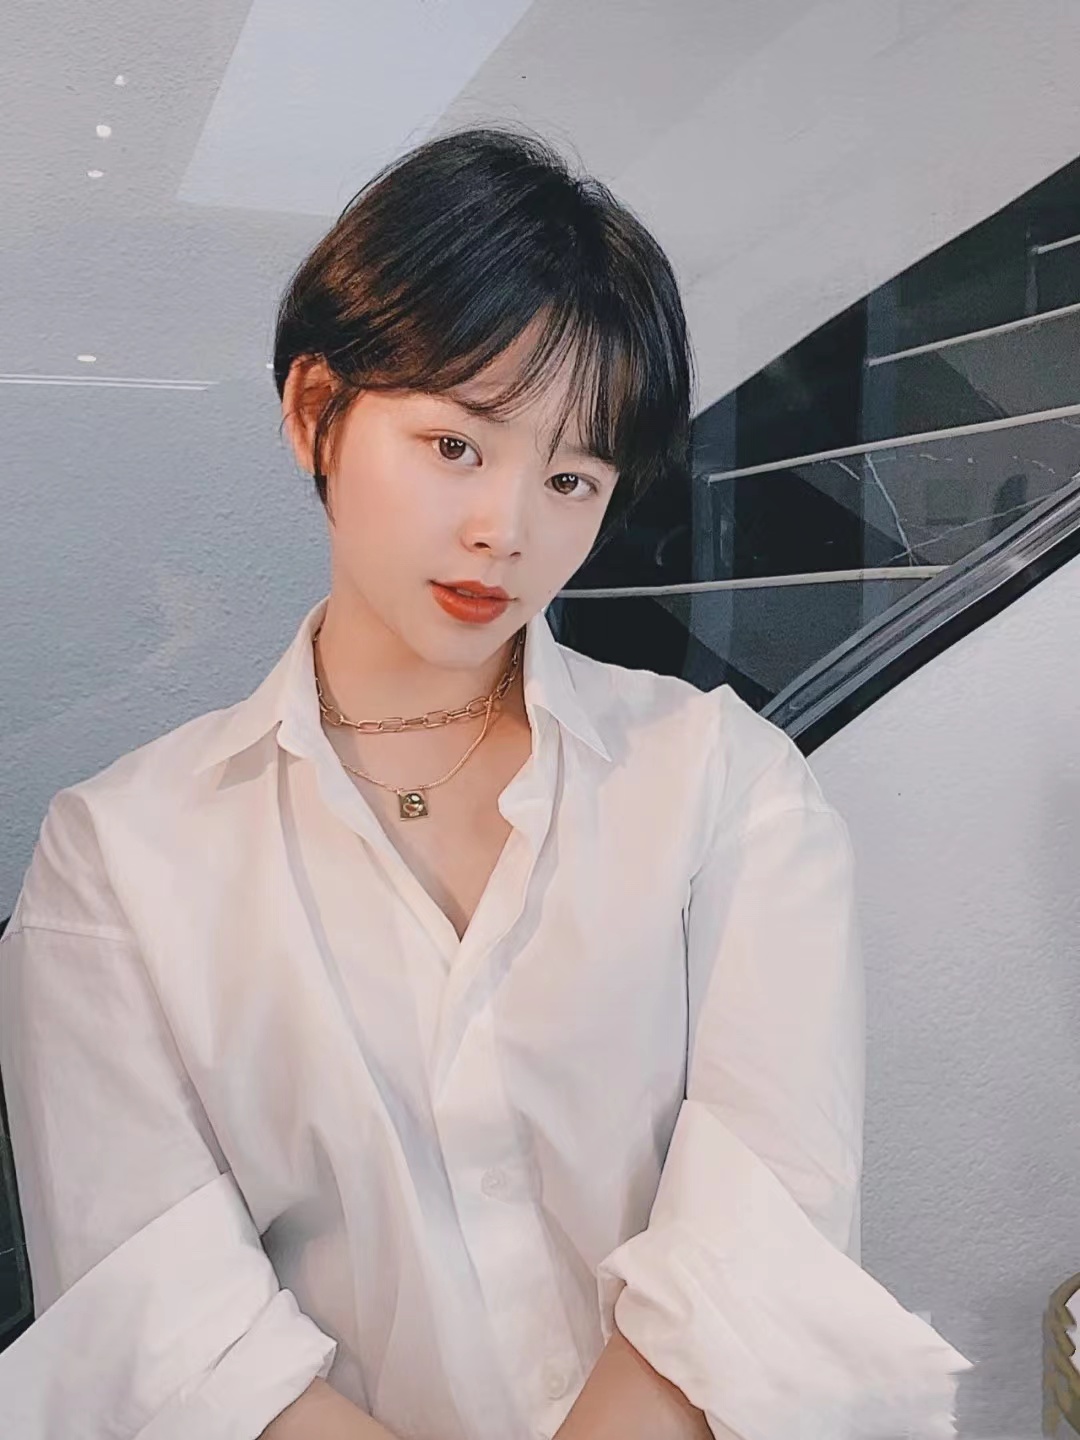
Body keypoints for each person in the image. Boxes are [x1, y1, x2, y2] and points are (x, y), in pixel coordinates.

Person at [0, 128, 972, 1440]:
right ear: (314, 411)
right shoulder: (118, 856)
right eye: (456, 445)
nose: (505, 530)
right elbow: (168, 1343)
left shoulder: (723, 787)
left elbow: (762, 1244)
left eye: (570, 478)